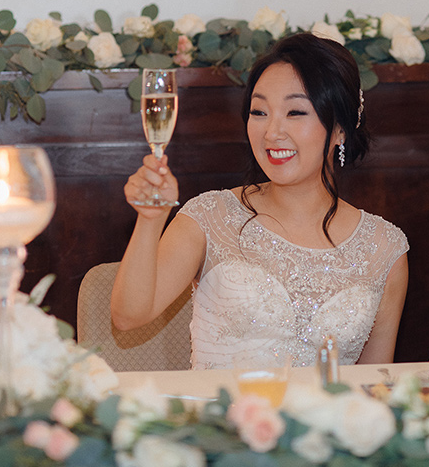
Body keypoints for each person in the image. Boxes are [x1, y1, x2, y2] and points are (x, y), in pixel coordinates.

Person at [111, 32, 409, 369]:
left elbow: (373, 385)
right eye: (259, 112)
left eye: (295, 112)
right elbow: (128, 315)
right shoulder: (210, 216)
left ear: (341, 127)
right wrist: (150, 219)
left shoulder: (385, 249)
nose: (272, 132)